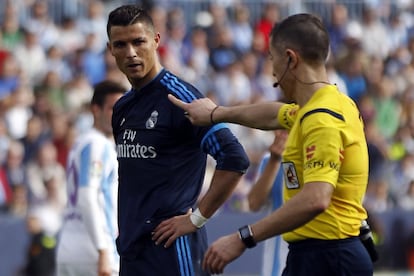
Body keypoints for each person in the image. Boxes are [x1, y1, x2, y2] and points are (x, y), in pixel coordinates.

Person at [169, 13, 374, 275]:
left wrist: (243, 237)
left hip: (329, 258)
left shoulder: (322, 119)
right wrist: (216, 113)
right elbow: (272, 114)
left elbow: (316, 198)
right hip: (318, 255)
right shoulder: (324, 106)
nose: (272, 69)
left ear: (290, 58)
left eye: (272, 58)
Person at [106, 5, 250, 276]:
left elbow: (234, 157)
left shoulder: (180, 98)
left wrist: (196, 219)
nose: (131, 53)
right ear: (110, 49)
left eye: (139, 42)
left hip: (173, 249)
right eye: (121, 44)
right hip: (132, 250)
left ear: (156, 41)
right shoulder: (122, 107)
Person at [56, 80, 127, 276]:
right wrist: (103, 249)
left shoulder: (80, 142)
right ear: (96, 109)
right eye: (113, 108)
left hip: (69, 246)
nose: (120, 115)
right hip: (94, 252)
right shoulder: (98, 145)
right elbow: (87, 196)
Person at [247, 129, 288, 276]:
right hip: (277, 262)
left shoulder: (318, 157)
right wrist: (275, 160)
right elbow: (254, 204)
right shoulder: (268, 160)